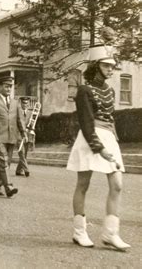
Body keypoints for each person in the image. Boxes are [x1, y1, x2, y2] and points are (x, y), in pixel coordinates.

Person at [67, 45, 130, 251]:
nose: (111, 69)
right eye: (106, 65)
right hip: (90, 138)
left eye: (113, 66)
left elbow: (109, 119)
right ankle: (79, 232)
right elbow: (86, 122)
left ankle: (110, 234)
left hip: (108, 136)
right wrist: (99, 147)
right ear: (96, 65)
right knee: (83, 184)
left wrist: (112, 142)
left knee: (117, 185)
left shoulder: (110, 90)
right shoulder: (84, 90)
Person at [15, 97, 32, 177]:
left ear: (28, 104)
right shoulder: (17, 112)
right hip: (18, 134)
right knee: (21, 152)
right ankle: (26, 170)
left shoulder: (30, 113)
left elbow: (31, 125)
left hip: (27, 135)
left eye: (26, 103)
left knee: (25, 154)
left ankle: (18, 170)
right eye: (23, 103)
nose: (25, 105)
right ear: (21, 103)